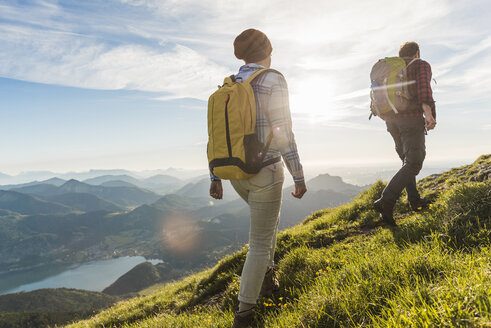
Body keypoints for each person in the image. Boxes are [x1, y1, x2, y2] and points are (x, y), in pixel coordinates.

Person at [209, 28, 307, 327]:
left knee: (267, 227)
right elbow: (282, 130)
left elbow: (215, 135)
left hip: (235, 172)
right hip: (265, 169)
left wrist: (214, 175)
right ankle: (245, 313)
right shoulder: (272, 79)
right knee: (260, 242)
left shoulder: (230, 84)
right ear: (268, 49)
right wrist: (298, 174)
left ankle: (267, 279)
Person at [374, 41, 437, 225]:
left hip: (392, 122)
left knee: (406, 162)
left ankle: (414, 201)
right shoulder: (420, 64)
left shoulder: (391, 71)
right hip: (410, 119)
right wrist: (429, 114)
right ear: (417, 52)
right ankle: (386, 201)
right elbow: (423, 90)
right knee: (414, 162)